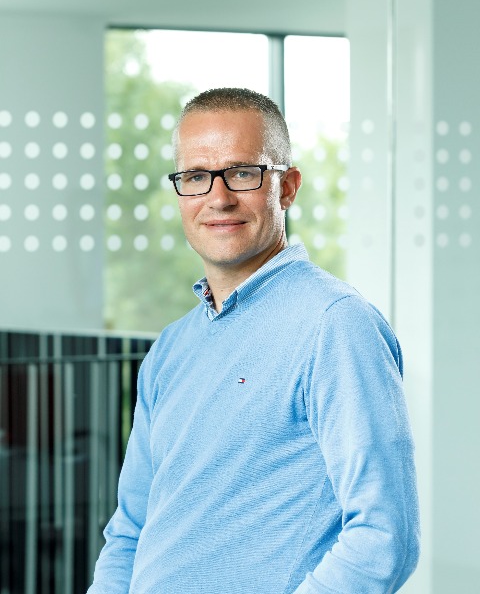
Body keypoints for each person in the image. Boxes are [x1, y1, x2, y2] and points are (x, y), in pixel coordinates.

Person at [88, 87, 420, 594]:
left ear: (287, 187)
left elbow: (383, 538)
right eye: (196, 176)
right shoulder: (171, 348)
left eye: (243, 173)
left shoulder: (335, 325)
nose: (218, 197)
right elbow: (131, 529)